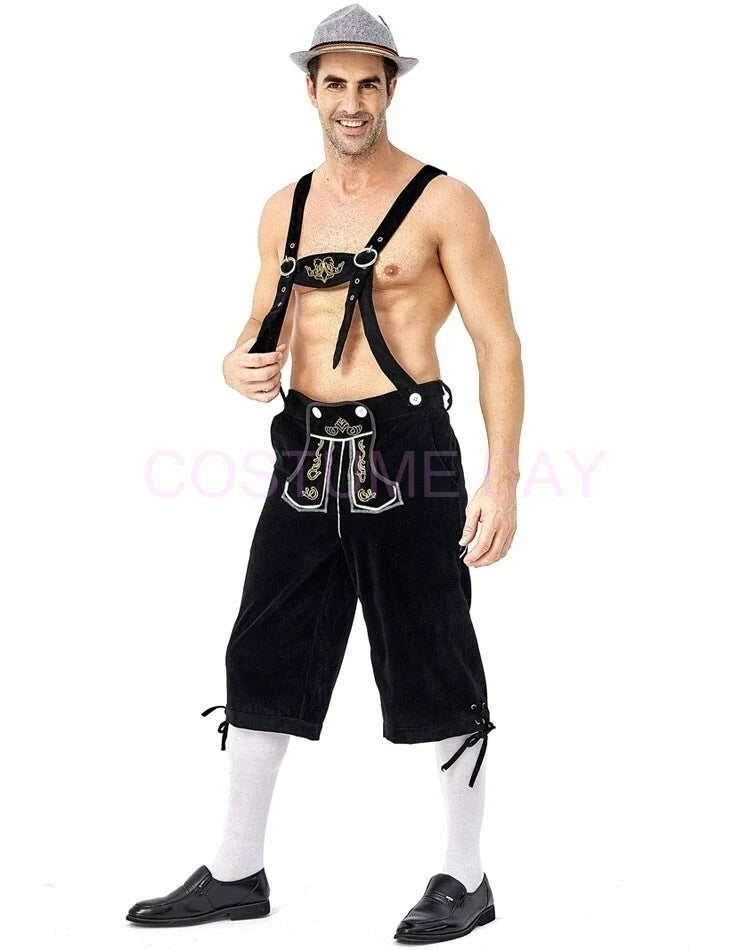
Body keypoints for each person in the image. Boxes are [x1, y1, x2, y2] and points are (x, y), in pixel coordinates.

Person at [125, 3, 524, 942]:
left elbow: (498, 345)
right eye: (335, 83)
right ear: (311, 89)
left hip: (408, 450)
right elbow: (259, 325)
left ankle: (465, 879)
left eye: (368, 84)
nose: (351, 101)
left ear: (391, 91)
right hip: (303, 450)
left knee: (431, 652)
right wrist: (235, 364)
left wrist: (502, 479)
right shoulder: (286, 207)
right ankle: (236, 872)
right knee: (263, 647)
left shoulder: (445, 202)